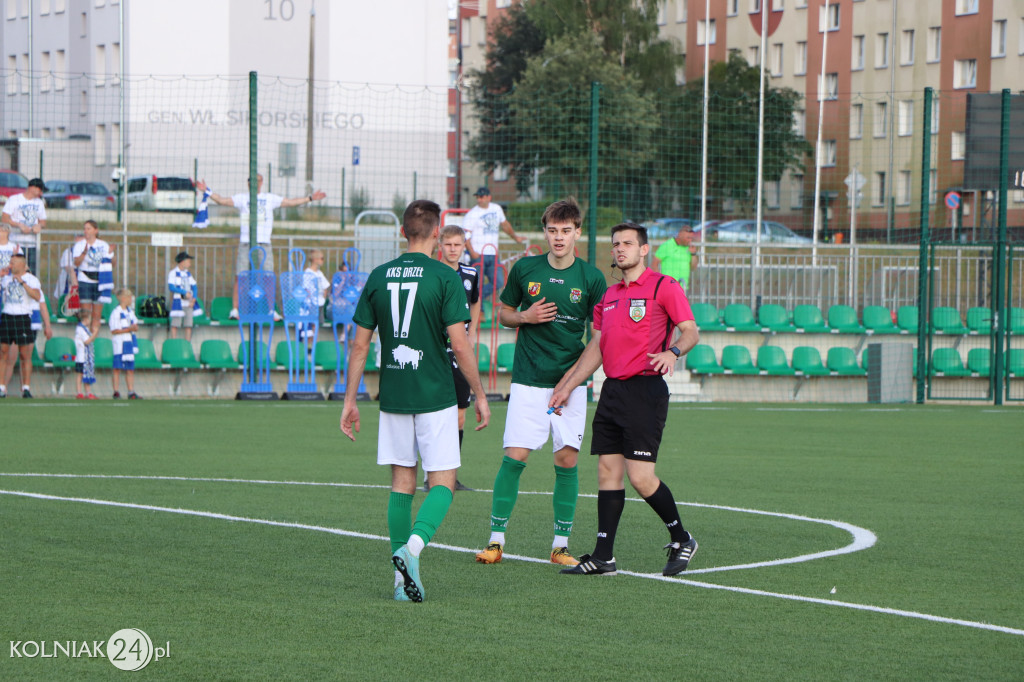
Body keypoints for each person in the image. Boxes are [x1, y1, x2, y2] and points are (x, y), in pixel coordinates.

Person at [340, 199, 491, 603]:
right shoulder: (445, 277)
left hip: (394, 394)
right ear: (438, 231)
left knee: (401, 483)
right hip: (436, 394)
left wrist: (350, 400)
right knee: (442, 482)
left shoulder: (378, 276)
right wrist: (479, 394)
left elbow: (358, 345)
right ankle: (413, 550)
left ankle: (399, 582)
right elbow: (459, 345)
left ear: (403, 231)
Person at [551, 222, 700, 577]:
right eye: (616, 244)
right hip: (612, 390)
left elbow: (691, 330)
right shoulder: (610, 295)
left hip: (645, 390)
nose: (620, 249)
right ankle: (604, 557)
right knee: (607, 472)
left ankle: (682, 538)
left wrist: (674, 352)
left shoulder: (664, 286)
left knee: (641, 477)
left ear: (644, 250)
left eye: (628, 244)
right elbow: (598, 347)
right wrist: (569, 384)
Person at [474, 197, 607, 568]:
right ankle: (496, 541)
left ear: (577, 232)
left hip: (571, 383)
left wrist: (574, 380)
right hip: (529, 379)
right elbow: (502, 314)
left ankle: (560, 546)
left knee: (566, 460)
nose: (559, 238)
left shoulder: (591, 278)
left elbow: (598, 339)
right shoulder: (525, 269)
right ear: (545, 232)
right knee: (514, 456)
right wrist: (526, 317)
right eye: (552, 231)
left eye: (566, 231)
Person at [196, 175, 326, 319]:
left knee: (268, 277)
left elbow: (290, 202)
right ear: (247, 184)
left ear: (261, 183)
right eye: (251, 182)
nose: (254, 184)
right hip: (246, 243)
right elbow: (222, 200)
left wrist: (310, 198)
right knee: (240, 277)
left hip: (264, 244)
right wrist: (207, 190)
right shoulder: (242, 198)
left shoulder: (269, 198)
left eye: (257, 181)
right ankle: (235, 310)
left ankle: (271, 310)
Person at [423, 225, 482, 493]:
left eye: (458, 245)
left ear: (463, 246)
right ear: (440, 246)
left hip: (459, 352)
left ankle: (451, 478)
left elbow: (476, 302)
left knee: (459, 418)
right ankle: (428, 476)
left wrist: (472, 334)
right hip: (435, 351)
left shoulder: (470, 274)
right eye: (448, 245)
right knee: (431, 416)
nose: (453, 249)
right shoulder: (430, 273)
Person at [0, 253, 51, 398]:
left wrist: (22, 283)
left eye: (14, 262)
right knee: (3, 352)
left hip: (23, 318)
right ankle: (1, 387)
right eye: (10, 262)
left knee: (24, 354)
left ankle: (26, 388)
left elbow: (37, 296)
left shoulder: (31, 279)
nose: (11, 265)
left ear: (22, 265)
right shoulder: (5, 278)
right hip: (7, 316)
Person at [463, 187, 526, 300]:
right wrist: (472, 252)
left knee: (499, 282)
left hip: (493, 253)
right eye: (477, 197)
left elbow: (505, 225)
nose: (479, 200)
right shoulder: (472, 214)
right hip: (478, 254)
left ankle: (478, 299)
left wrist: (515, 237)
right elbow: (466, 235)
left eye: (481, 197)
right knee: (477, 284)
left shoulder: (496, 209)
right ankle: (479, 312)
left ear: (489, 197)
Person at [72, 220, 116, 336]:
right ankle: (85, 338)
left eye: (89, 228)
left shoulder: (103, 245)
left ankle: (93, 339)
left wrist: (111, 253)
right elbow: (76, 263)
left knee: (97, 315)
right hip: (85, 279)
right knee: (86, 313)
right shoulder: (80, 245)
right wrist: (83, 253)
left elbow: (113, 263)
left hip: (99, 280)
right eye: (85, 228)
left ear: (95, 230)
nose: (86, 231)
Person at [1, 178, 47, 273]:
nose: (41, 193)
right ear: (32, 188)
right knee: (14, 270)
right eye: (40, 190)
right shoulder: (14, 199)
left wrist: (39, 226)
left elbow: (43, 221)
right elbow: (4, 218)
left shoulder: (39, 203)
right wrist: (19, 225)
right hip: (16, 244)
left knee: (31, 272)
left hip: (32, 244)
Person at [109, 287, 141, 400]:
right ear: (123, 298)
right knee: (117, 368)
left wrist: (134, 328)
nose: (131, 299)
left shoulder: (130, 312)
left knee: (130, 368)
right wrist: (129, 329)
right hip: (119, 344)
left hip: (129, 343)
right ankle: (116, 391)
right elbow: (114, 330)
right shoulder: (116, 312)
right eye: (129, 297)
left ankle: (131, 391)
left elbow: (135, 324)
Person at [298, 249, 331, 356]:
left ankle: (313, 347)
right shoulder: (308, 273)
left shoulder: (319, 273)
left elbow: (325, 286)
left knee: (315, 326)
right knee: (311, 325)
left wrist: (324, 296)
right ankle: (309, 347)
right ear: (315, 259)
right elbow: (306, 289)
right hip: (312, 304)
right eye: (321, 258)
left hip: (320, 303)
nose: (323, 260)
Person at [652, 223, 698, 291]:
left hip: (683, 287)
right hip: (668, 287)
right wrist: (660, 281)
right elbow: (654, 264)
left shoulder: (689, 248)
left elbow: (693, 268)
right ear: (680, 235)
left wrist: (693, 254)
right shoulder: (667, 245)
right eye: (688, 238)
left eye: (691, 238)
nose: (690, 240)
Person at [168, 251, 199, 341]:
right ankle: (174, 342)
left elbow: (194, 286)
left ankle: (187, 343)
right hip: (178, 302)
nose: (190, 263)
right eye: (188, 261)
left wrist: (194, 298)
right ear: (182, 262)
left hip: (188, 303)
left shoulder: (188, 274)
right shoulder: (173, 273)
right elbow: (171, 287)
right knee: (175, 324)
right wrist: (183, 292)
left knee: (188, 324)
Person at [74, 307, 98, 399]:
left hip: (86, 358)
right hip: (81, 357)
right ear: (87, 319)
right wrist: (95, 334)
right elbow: (87, 341)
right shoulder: (80, 329)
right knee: (80, 375)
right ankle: (79, 392)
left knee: (87, 374)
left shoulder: (84, 329)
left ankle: (88, 392)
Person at [53, 234, 85, 301]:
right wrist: (75, 288)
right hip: (68, 288)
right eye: (78, 237)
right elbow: (70, 270)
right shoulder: (68, 252)